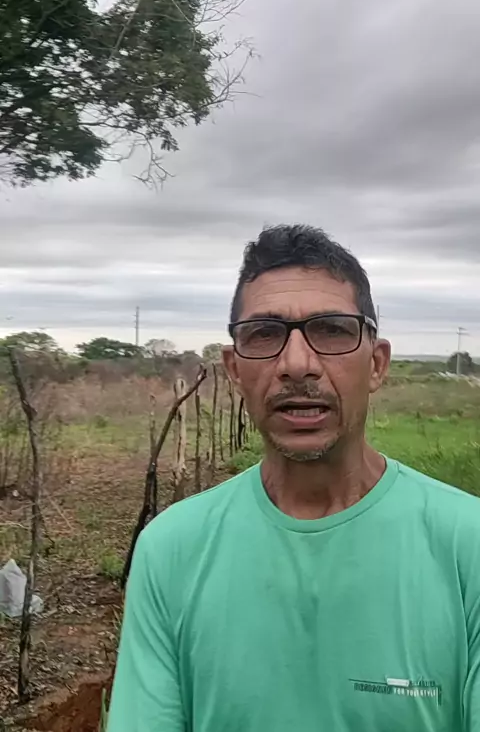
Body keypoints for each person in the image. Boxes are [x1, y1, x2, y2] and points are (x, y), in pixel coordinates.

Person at [107, 224, 480, 732]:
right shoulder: (171, 549)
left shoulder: (466, 545)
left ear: (376, 364)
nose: (297, 364)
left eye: (332, 330)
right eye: (264, 334)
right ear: (234, 369)